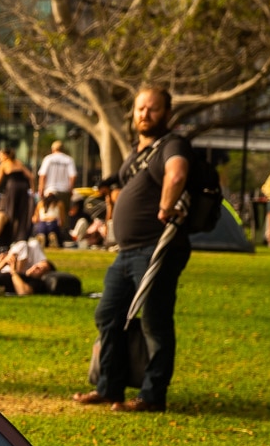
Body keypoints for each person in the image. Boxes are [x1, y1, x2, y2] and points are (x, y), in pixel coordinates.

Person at [75, 85, 193, 412]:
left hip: (156, 250)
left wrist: (167, 205)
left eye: (153, 109)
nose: (145, 114)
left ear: (167, 114)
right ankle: (108, 387)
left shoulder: (173, 145)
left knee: (155, 322)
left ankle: (152, 396)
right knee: (109, 314)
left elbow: (177, 173)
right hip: (126, 252)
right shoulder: (139, 152)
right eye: (141, 108)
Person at [36, 139, 77, 233]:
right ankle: (62, 234)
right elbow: (73, 176)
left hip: (50, 190)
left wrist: (41, 189)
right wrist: (71, 189)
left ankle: (48, 231)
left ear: (53, 149)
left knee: (49, 212)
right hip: (64, 190)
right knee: (64, 214)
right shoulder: (68, 159)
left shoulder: (48, 159)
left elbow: (42, 175)